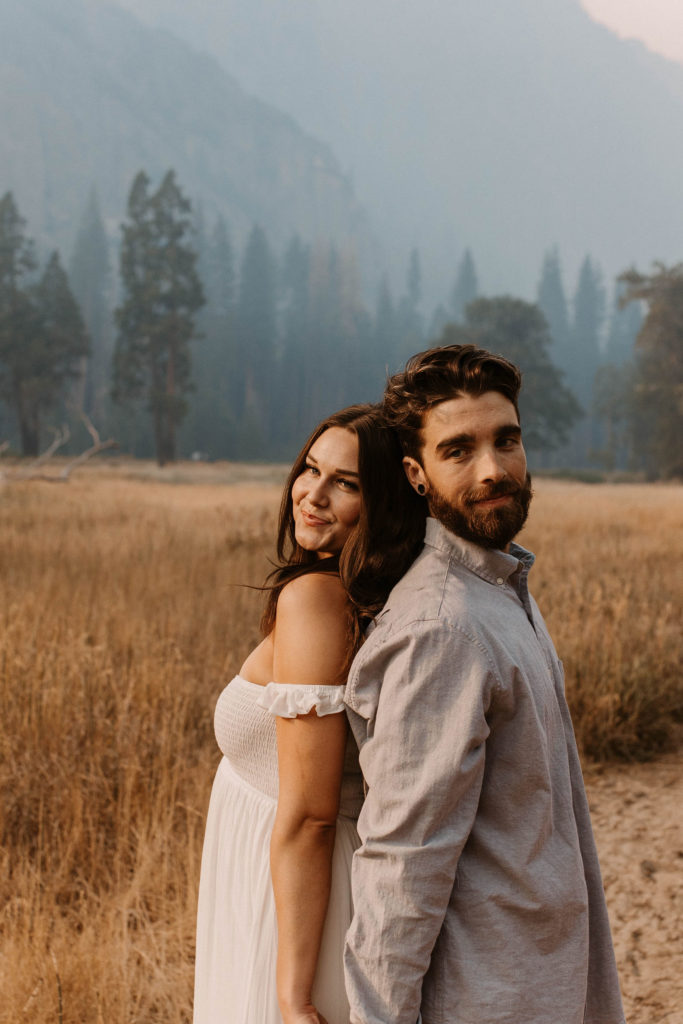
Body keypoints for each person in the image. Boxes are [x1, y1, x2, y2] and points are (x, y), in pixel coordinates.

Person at [344, 346, 626, 1024]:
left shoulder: (499, 591)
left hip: (543, 978)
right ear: (416, 474)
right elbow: (401, 863)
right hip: (488, 997)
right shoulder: (443, 628)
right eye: (458, 450)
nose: (494, 469)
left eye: (506, 440)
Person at [193, 404, 424, 1024]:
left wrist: (294, 996)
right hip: (280, 882)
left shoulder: (319, 601)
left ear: (386, 501)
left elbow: (313, 817)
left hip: (299, 909)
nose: (312, 495)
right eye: (310, 469)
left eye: (345, 483)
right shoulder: (361, 592)